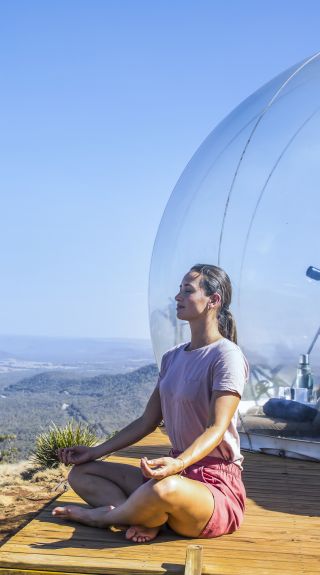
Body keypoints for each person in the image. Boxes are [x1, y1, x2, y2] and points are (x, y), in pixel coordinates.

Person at [53, 264, 249, 543]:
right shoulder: (172, 357)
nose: (177, 297)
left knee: (164, 490)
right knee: (82, 473)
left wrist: (178, 463)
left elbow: (216, 428)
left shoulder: (226, 356)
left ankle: (106, 517)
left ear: (213, 301)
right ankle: (145, 516)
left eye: (187, 291)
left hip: (211, 485)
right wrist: (95, 452)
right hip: (171, 471)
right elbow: (148, 421)